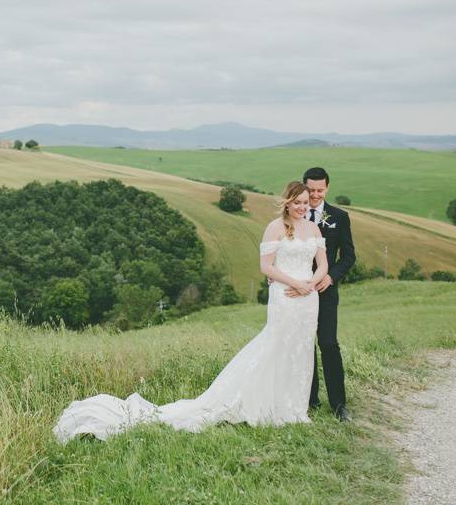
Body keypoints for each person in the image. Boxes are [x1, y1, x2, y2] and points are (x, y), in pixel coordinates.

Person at [53, 181, 327, 442]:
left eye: (306, 203)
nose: (303, 207)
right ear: (288, 203)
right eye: (298, 202)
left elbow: (323, 265)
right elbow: (266, 267)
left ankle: (293, 408)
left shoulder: (314, 230)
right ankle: (262, 403)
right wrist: (295, 284)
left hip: (307, 298)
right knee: (276, 346)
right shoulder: (274, 228)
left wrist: (310, 285)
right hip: (285, 295)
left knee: (301, 350)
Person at [287, 167, 355, 421]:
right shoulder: (294, 215)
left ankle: (339, 405)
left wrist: (331, 276)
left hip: (325, 291)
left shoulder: (339, 216)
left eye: (320, 190)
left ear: (327, 188)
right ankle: (310, 398)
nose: (315, 196)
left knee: (328, 343)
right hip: (298, 291)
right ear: (304, 187)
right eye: (311, 190)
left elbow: (349, 256)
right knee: (304, 344)